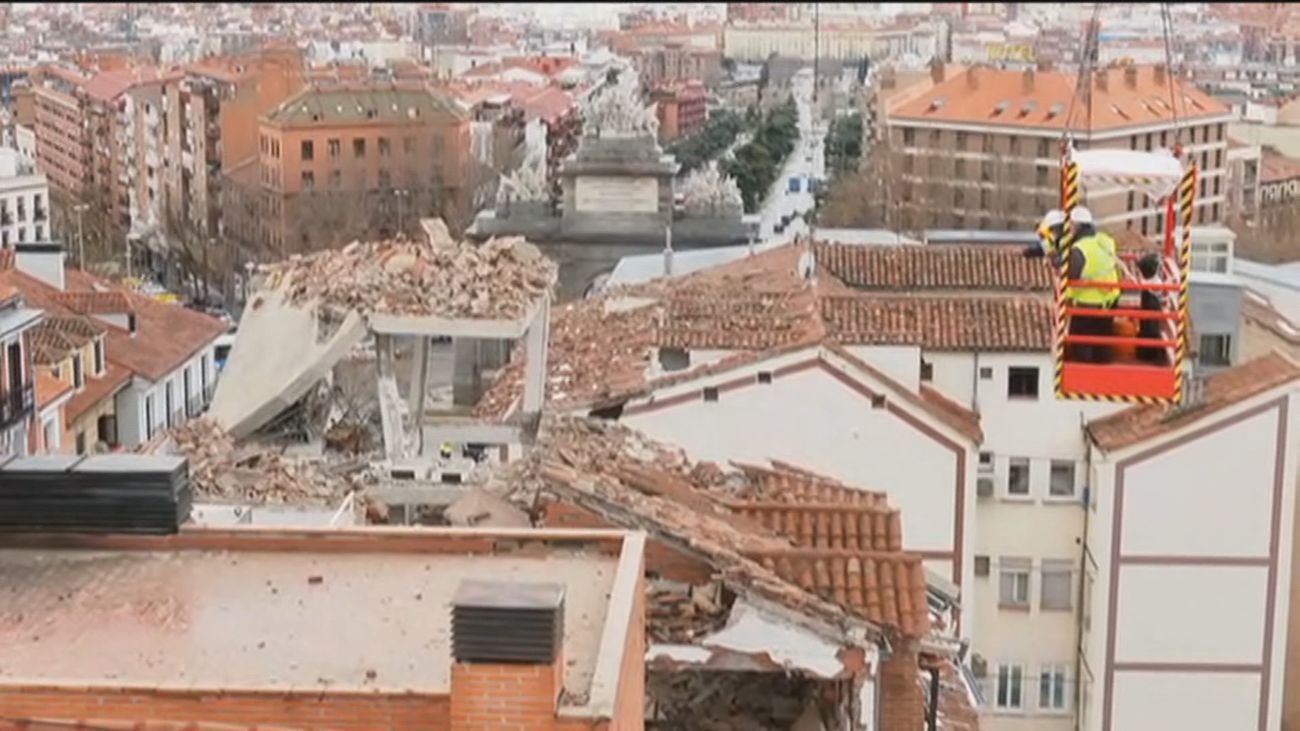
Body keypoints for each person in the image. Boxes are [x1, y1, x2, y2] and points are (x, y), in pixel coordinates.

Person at [1061, 207, 1121, 364]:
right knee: (1103, 342)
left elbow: (1072, 277)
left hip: (1088, 303)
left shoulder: (1079, 250)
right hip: (1110, 300)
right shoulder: (1106, 242)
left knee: (1081, 344)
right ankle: (1103, 369)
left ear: (1076, 226)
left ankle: (1083, 370)